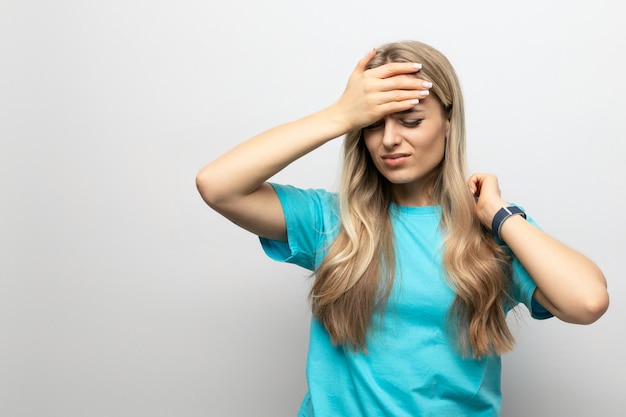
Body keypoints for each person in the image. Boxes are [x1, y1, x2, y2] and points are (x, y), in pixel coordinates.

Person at [196, 40, 609, 416]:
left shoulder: (492, 230)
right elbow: (218, 185)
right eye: (374, 124)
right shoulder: (333, 221)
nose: (389, 139)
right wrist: (341, 114)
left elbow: (587, 301)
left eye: (410, 121)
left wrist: (500, 214)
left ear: (448, 122)